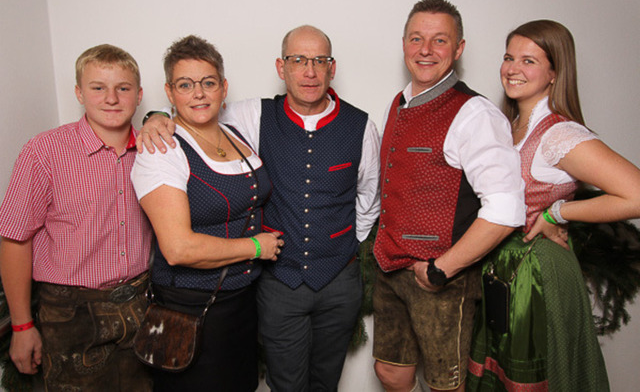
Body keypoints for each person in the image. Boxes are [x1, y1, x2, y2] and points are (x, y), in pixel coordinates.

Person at [139, 25, 380, 391]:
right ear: (281, 68)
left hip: (340, 281)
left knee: (326, 381)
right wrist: (154, 117)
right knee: (285, 383)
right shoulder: (251, 116)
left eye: (319, 61)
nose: (309, 71)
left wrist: (342, 245)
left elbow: (368, 197)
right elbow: (197, 112)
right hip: (278, 282)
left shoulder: (361, 126)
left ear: (332, 68)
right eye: (298, 60)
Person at [467, 20, 640, 391]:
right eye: (509, 58)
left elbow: (636, 194)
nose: (513, 69)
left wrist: (556, 213)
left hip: (538, 271)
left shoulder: (558, 134)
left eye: (529, 61)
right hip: (501, 268)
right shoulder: (507, 125)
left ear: (554, 73)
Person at [372, 0, 526, 392]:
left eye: (439, 40)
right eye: (416, 38)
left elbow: (506, 208)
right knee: (390, 372)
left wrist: (442, 269)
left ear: (458, 49)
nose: (425, 50)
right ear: (404, 44)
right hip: (391, 270)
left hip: (440, 278)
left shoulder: (475, 114)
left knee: (446, 387)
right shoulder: (398, 103)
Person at [130, 35, 282, 391]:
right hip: (190, 306)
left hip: (243, 300)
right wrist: (255, 247)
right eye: (185, 85)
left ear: (223, 88)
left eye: (208, 83)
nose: (198, 93)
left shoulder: (235, 132)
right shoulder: (162, 150)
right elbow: (178, 248)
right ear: (170, 92)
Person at [0, 44, 153, 391]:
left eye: (123, 88)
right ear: (79, 93)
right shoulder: (44, 151)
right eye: (98, 87)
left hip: (140, 302)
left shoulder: (153, 149)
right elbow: (15, 239)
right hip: (70, 312)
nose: (111, 98)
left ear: (139, 94)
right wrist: (22, 326)